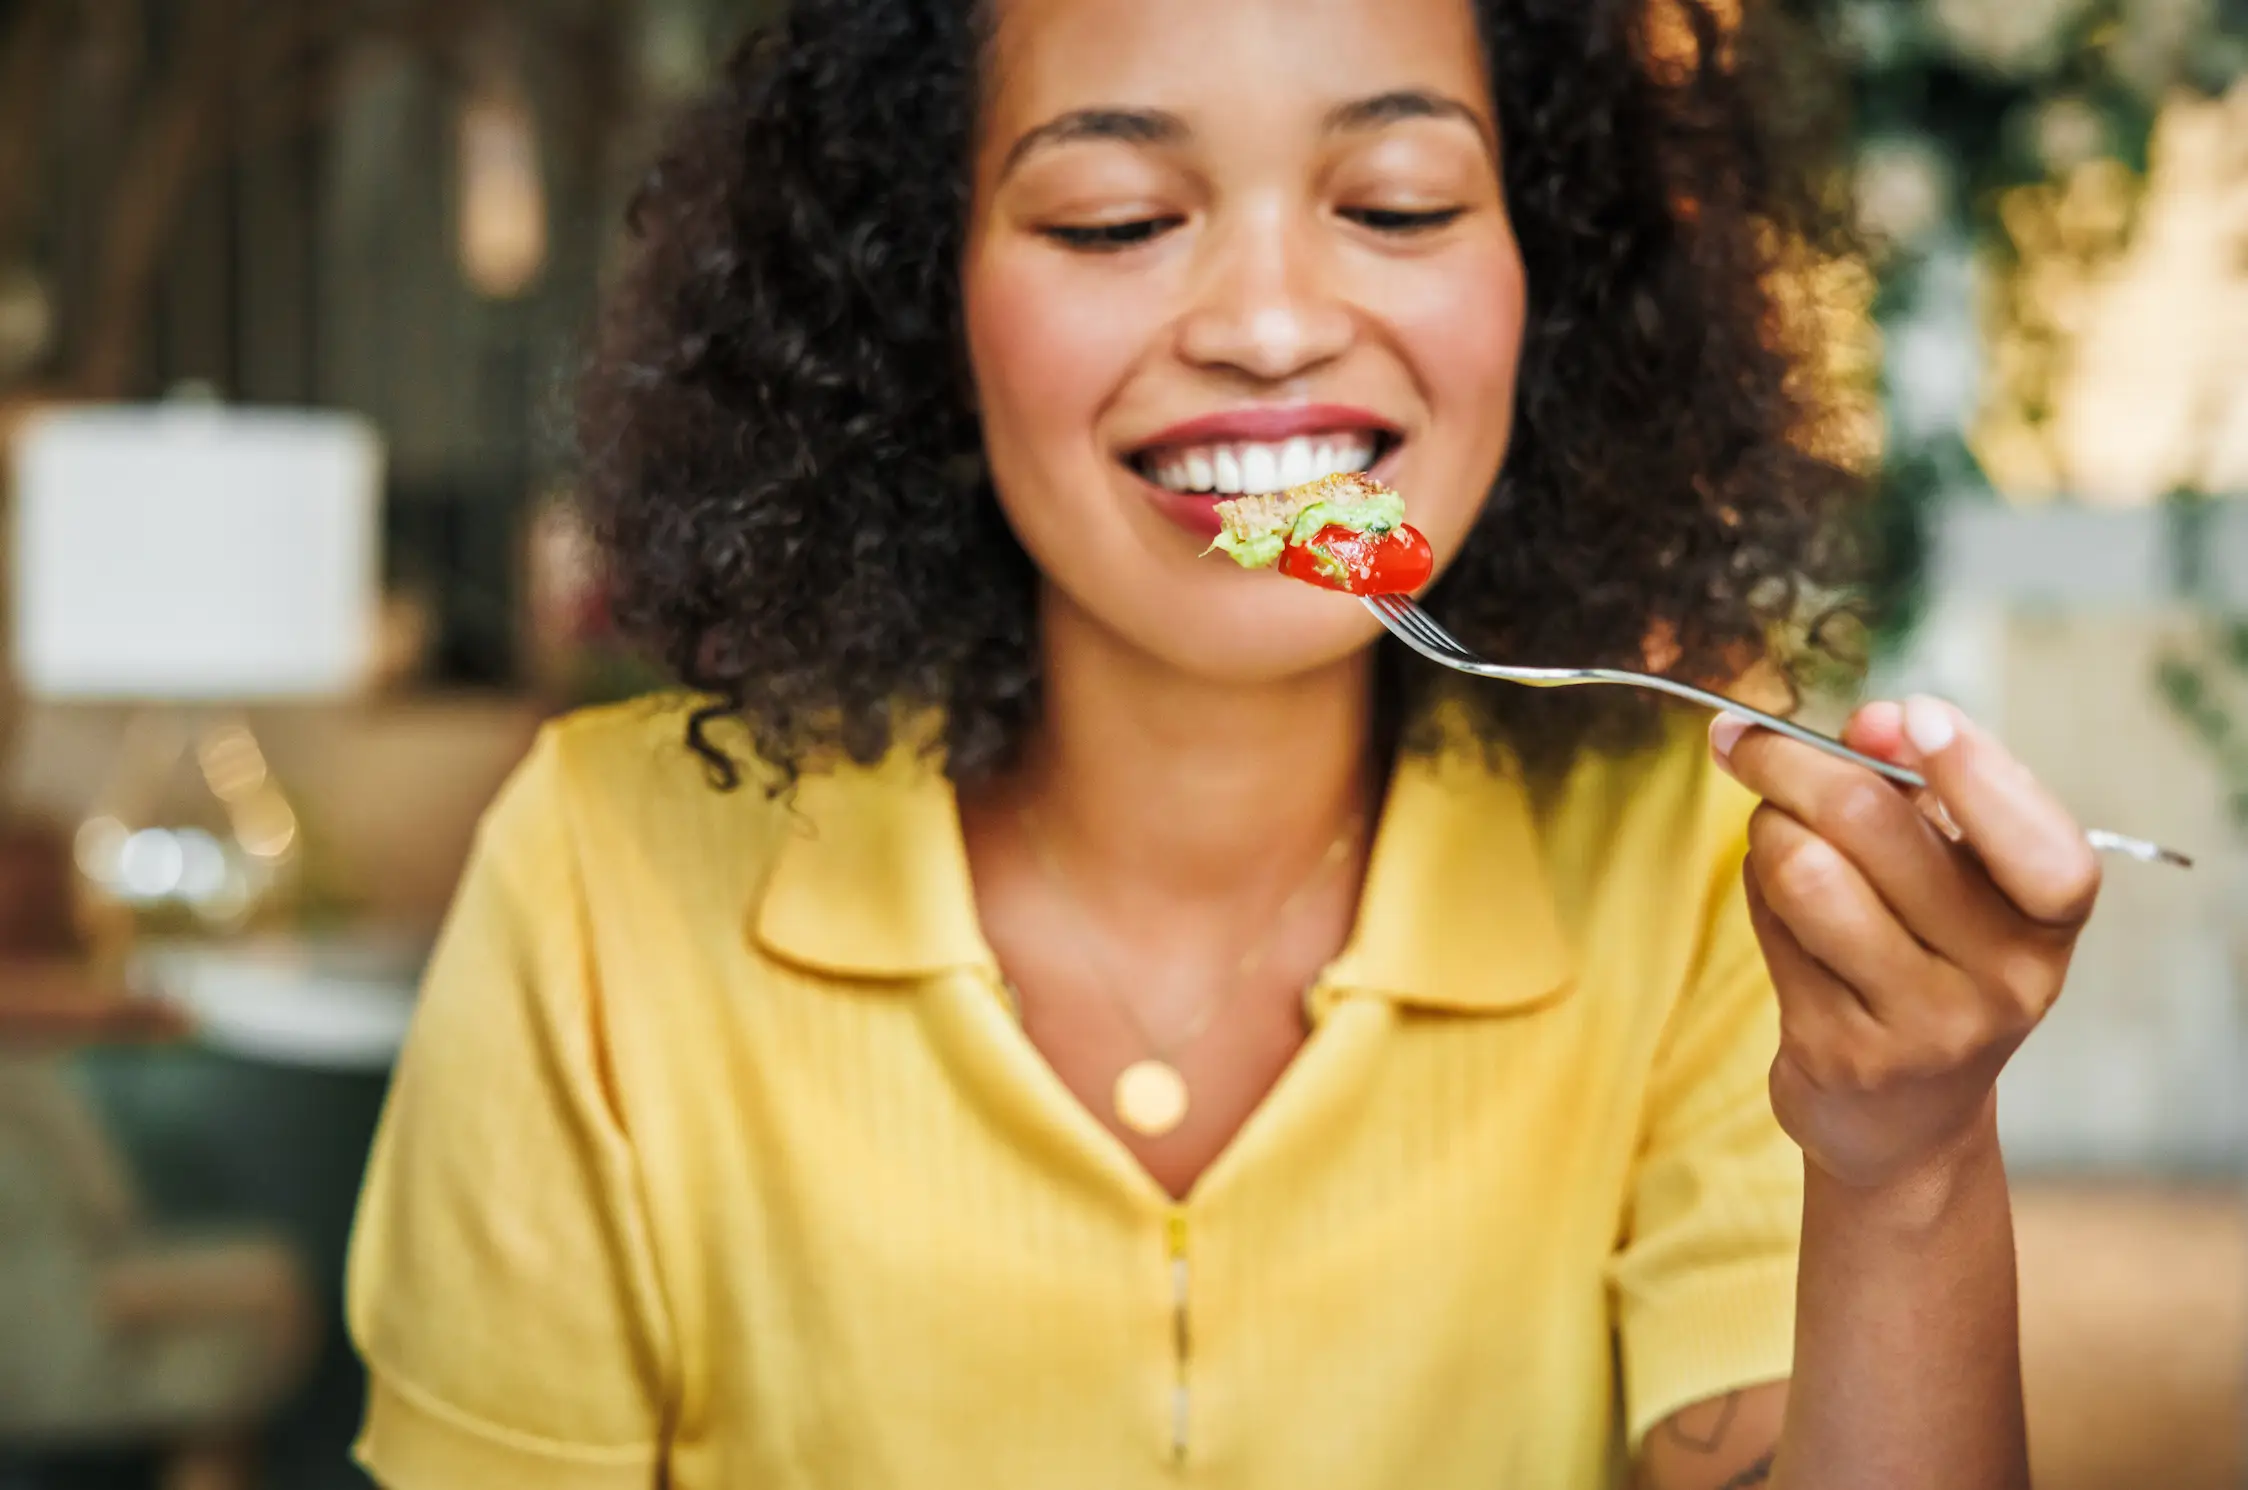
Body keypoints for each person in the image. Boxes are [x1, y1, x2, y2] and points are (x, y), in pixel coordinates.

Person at [345, 1, 2100, 1486]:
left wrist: (1913, 1163)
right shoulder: (601, 868)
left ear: (1545, 282)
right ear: (914, 296)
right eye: (1115, 219)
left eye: (1401, 204)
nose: (1268, 326)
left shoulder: (1701, 868)